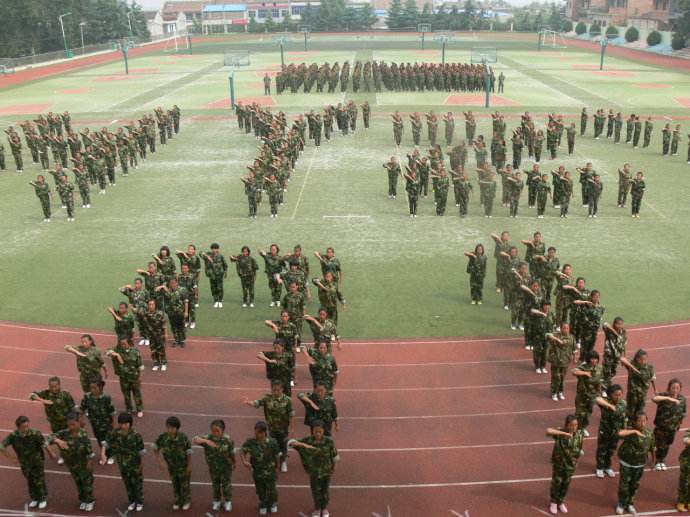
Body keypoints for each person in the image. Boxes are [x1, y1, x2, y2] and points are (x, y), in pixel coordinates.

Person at [0, 416, 53, 509]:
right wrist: (11, 458)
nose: (27, 428)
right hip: (24, 463)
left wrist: (51, 453)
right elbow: (1, 446)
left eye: (28, 426)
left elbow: (43, 444)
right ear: (18, 427)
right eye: (24, 427)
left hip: (37, 461)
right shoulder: (13, 436)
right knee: (30, 480)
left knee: (39, 480)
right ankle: (35, 498)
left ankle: (42, 498)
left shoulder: (35, 433)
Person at [289, 420, 340, 517]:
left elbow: (334, 456)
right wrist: (303, 445)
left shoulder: (329, 441)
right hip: (314, 471)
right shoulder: (308, 440)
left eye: (320, 431)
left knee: (325, 490)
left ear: (323, 431)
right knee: (315, 490)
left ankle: (324, 508)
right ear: (312, 431)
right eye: (315, 431)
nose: (317, 433)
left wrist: (334, 467)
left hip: (326, 471)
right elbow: (290, 443)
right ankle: (317, 508)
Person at [48, 411, 96, 512]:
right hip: (72, 464)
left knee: (86, 483)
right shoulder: (65, 433)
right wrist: (58, 441)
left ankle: (90, 500)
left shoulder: (83, 435)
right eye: (69, 424)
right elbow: (50, 438)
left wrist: (89, 463)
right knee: (78, 482)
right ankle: (83, 500)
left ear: (78, 423)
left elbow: (89, 451)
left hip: (83, 463)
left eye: (73, 424)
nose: (71, 427)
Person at [245, 381, 294, 473]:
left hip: (283, 428)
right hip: (271, 428)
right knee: (271, 445)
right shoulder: (267, 398)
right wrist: (249, 403)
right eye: (274, 390)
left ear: (282, 390)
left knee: (283, 445)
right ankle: (273, 462)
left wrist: (292, 427)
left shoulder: (287, 400)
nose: (275, 392)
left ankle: (283, 462)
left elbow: (291, 414)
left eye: (278, 390)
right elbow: (258, 403)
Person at [102, 412, 146, 512]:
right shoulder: (115, 433)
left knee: (137, 483)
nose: (123, 426)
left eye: (125, 424)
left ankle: (139, 502)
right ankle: (132, 501)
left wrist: (142, 463)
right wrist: (103, 453)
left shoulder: (136, 435)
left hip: (134, 464)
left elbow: (141, 450)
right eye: (121, 424)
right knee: (127, 483)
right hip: (123, 464)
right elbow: (106, 442)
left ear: (130, 424)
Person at [616, 412, 655, 516]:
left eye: (644, 421)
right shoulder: (629, 431)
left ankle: (630, 503)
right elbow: (619, 433)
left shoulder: (649, 433)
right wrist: (634, 431)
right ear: (634, 422)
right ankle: (621, 503)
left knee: (634, 485)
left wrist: (653, 461)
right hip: (626, 464)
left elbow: (652, 448)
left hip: (639, 465)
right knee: (624, 486)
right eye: (639, 421)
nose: (642, 423)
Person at [194, 420, 236, 512]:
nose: (215, 433)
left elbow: (232, 453)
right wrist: (206, 441)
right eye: (213, 431)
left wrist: (234, 463)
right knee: (215, 485)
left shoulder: (228, 440)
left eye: (217, 431)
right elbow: (195, 439)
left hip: (226, 467)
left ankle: (228, 501)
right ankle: (217, 501)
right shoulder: (208, 437)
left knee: (226, 485)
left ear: (223, 430)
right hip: (213, 467)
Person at [546, 414, 584, 516]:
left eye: (576, 425)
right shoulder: (560, 432)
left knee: (565, 484)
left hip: (570, 465)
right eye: (572, 425)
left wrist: (576, 461)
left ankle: (561, 501)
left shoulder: (579, 434)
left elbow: (579, 449)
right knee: (557, 483)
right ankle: (553, 502)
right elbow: (548, 431)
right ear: (567, 425)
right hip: (559, 464)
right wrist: (564, 433)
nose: (574, 427)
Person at [242, 421, 281, 516]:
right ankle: (263, 504)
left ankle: (272, 503)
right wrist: (244, 461)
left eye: (259, 432)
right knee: (260, 489)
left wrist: (277, 467)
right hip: (258, 471)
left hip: (270, 471)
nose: (256, 434)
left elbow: (277, 456)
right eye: (255, 432)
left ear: (264, 432)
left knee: (272, 489)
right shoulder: (250, 442)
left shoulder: (272, 442)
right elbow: (242, 450)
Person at [153, 416, 193, 511]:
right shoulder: (163, 437)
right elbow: (155, 447)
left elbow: (189, 451)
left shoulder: (183, 437)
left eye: (172, 428)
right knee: (175, 484)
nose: (170, 430)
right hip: (172, 467)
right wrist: (159, 461)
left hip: (183, 466)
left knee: (185, 485)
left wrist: (190, 465)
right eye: (168, 427)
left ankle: (186, 501)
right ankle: (178, 500)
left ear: (177, 428)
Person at [652, 378, 686, 471]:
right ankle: (658, 461)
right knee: (660, 444)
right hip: (661, 427)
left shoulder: (682, 399)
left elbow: (683, 413)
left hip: (673, 428)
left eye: (677, 388)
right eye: (673, 387)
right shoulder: (664, 396)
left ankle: (662, 460)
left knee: (667, 444)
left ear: (680, 389)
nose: (675, 390)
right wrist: (668, 398)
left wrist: (679, 423)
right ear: (669, 388)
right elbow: (654, 398)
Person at [80, 378, 116, 465]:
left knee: (108, 439)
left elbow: (112, 412)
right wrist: (81, 420)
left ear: (100, 388)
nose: (92, 390)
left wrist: (113, 424)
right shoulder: (87, 397)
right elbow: (82, 409)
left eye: (95, 388)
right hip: (95, 424)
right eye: (91, 388)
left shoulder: (106, 398)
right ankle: (104, 454)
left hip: (107, 423)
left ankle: (112, 455)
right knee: (100, 439)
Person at [29, 376, 76, 442]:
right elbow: (31, 395)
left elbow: (72, 408)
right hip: (54, 423)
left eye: (55, 386)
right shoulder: (46, 393)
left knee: (70, 438)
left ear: (59, 385)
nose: (53, 389)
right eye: (51, 387)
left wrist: (73, 421)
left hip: (66, 422)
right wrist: (41, 400)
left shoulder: (66, 394)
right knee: (58, 439)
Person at [594, 385, 627, 479]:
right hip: (605, 431)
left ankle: (607, 467)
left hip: (616, 432)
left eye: (620, 395)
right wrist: (609, 405)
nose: (618, 397)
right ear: (610, 395)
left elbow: (620, 413)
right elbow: (596, 399)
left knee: (611, 450)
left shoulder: (623, 403)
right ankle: (599, 467)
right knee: (602, 450)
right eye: (616, 395)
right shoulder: (606, 402)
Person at [107, 338, 144, 417]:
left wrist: (140, 376)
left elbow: (140, 365)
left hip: (134, 377)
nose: (122, 345)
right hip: (124, 378)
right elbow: (107, 352)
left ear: (129, 344)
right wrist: (116, 354)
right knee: (126, 395)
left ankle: (139, 409)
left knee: (137, 394)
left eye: (124, 344)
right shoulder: (119, 351)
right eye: (121, 344)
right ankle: (129, 409)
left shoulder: (135, 351)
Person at [572, 350, 603, 437]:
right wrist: (585, 373)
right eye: (592, 359)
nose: (594, 361)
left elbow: (599, 381)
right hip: (582, 395)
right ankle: (576, 429)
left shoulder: (599, 368)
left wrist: (599, 392)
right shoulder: (584, 366)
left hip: (592, 395)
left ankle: (583, 428)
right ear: (588, 359)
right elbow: (574, 372)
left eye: (596, 359)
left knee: (588, 413)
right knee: (579, 413)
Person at [622, 349, 656, 420]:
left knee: (640, 411)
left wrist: (655, 389)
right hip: (633, 394)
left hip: (643, 394)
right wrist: (633, 367)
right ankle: (629, 424)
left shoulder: (649, 368)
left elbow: (652, 379)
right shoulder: (632, 364)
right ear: (637, 358)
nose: (643, 361)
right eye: (641, 359)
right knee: (630, 411)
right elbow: (622, 360)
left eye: (645, 359)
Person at [546, 323, 575, 401]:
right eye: (564, 328)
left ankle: (560, 392)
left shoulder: (571, 337)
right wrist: (555, 338)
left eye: (567, 328)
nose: (565, 330)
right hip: (556, 361)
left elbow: (572, 348)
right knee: (555, 377)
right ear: (561, 328)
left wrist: (573, 357)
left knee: (562, 377)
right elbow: (547, 335)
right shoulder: (556, 335)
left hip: (565, 361)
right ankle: (554, 392)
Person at [602, 317, 627, 393]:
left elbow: (624, 344)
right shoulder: (609, 331)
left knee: (613, 372)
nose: (620, 326)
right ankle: (604, 389)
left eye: (621, 324)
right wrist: (614, 332)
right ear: (614, 324)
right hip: (609, 355)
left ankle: (604, 383)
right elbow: (605, 324)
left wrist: (624, 356)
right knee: (606, 371)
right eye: (618, 324)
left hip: (617, 356)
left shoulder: (623, 332)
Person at [202, 243, 228, 308]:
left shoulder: (220, 256)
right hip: (211, 275)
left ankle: (220, 300)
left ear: (218, 249)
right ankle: (215, 300)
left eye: (216, 248)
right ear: (211, 249)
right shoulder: (208, 254)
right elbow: (200, 253)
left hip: (219, 275)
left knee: (220, 288)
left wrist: (225, 272)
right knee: (213, 288)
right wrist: (208, 257)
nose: (214, 250)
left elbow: (225, 265)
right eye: (213, 249)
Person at [678, 429, 690, 512]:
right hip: (687, 461)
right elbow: (686, 440)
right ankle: (681, 502)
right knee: (684, 483)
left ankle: (688, 501)